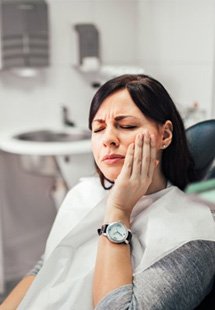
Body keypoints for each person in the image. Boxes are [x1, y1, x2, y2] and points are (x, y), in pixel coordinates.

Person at [1, 74, 215, 310]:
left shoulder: (194, 235)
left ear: (164, 135)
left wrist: (119, 211)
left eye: (127, 126)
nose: (108, 139)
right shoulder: (84, 194)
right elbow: (45, 268)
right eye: (98, 129)